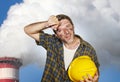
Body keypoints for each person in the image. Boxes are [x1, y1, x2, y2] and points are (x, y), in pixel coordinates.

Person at [24, 14, 100, 82]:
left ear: (73, 26)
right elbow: (28, 30)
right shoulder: (52, 42)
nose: (66, 32)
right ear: (56, 34)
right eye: (60, 30)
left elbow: (95, 73)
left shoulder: (88, 50)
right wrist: (47, 23)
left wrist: (94, 81)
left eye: (68, 26)